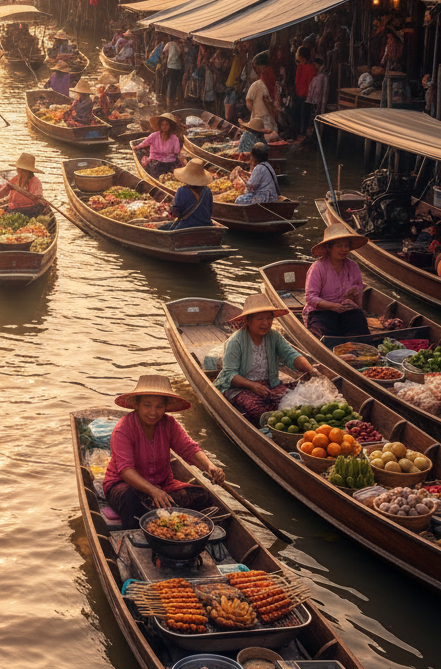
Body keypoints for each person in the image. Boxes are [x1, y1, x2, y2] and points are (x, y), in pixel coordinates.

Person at [102, 376, 225, 528]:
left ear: (165, 407)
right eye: (147, 405)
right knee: (130, 501)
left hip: (162, 485)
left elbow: (189, 449)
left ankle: (161, 516)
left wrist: (210, 466)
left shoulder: (169, 424)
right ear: (137, 405)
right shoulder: (124, 429)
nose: (153, 412)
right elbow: (126, 471)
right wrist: (153, 491)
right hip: (125, 486)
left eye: (159, 407)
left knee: (203, 497)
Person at [216, 294, 316, 422]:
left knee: (301, 396)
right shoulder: (236, 342)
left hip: (270, 384)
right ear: (248, 320)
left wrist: (310, 369)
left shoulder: (274, 336)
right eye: (260, 319)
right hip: (241, 387)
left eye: (269, 318)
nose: (266, 323)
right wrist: (253, 386)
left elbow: (291, 355)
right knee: (257, 409)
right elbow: (229, 374)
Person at [303, 224, 370, 337]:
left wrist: (358, 309)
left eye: (346, 246)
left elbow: (359, 293)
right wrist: (333, 306)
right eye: (339, 246)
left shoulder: (353, 266)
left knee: (359, 330)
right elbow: (310, 297)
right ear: (329, 247)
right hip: (321, 312)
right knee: (325, 335)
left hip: (345, 309)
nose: (344, 250)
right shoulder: (318, 267)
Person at [0, 152, 47, 217]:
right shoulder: (16, 178)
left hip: (28, 211)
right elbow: (4, 192)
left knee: (3, 216)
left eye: (22, 170)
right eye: (18, 169)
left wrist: (38, 197)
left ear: (28, 171)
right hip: (13, 207)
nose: (18, 171)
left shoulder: (35, 182)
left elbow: (37, 197)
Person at [160, 158, 214, 231]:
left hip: (186, 226)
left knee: (161, 229)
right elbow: (209, 211)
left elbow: (175, 213)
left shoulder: (182, 191)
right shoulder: (208, 191)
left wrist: (170, 210)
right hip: (207, 225)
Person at [136, 114, 184, 178]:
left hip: (169, 162)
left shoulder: (174, 138)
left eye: (167, 125)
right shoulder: (154, 135)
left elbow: (176, 152)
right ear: (160, 126)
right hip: (155, 161)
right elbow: (144, 143)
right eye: (163, 125)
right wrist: (136, 147)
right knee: (156, 168)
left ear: (170, 126)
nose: (164, 127)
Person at [246, 52, 276, 127]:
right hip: (268, 120)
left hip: (260, 121)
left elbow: (249, 103)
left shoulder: (257, 84)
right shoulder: (261, 84)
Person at [294, 45, 316, 137]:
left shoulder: (306, 68)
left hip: (304, 96)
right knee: (301, 117)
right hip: (303, 96)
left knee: (302, 117)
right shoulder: (306, 67)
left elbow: (307, 84)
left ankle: (301, 134)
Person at [162, 35, 184, 101]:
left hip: (170, 65)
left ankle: (169, 98)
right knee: (176, 82)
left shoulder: (169, 44)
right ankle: (175, 97)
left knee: (171, 82)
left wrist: (167, 56)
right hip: (178, 66)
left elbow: (163, 51)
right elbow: (182, 55)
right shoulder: (180, 45)